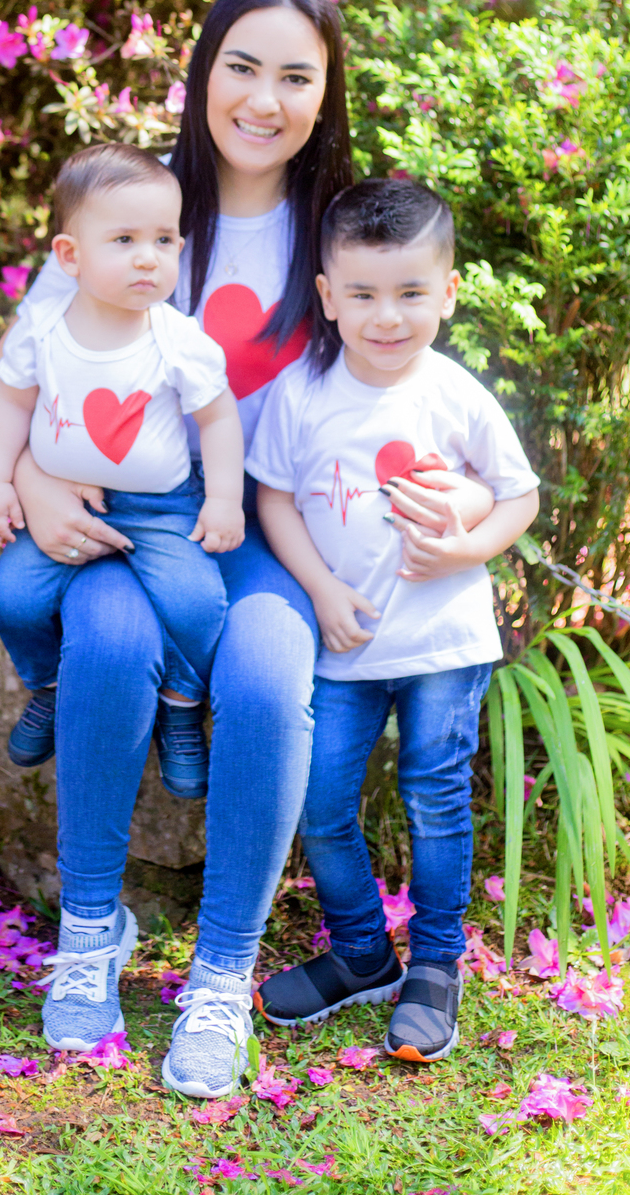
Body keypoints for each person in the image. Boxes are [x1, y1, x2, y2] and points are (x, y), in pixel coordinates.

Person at [0, 0, 497, 1098]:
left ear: (327, 93)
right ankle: (90, 932)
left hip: (275, 537)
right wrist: (29, 472)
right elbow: (37, 358)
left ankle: (221, 975)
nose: (263, 98)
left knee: (269, 682)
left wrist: (469, 504)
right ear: (203, 73)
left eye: (295, 76)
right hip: (132, 524)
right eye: (242, 66)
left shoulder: (349, 230)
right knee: (110, 645)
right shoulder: (142, 202)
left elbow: (422, 388)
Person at [250, 179, 540, 1062]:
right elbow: (273, 498)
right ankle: (364, 952)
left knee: (435, 798)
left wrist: (466, 550)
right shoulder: (302, 396)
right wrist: (322, 592)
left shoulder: (456, 396)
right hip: (344, 646)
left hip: (445, 646)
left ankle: (437, 967)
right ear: (329, 296)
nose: (388, 316)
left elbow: (518, 497)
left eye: (412, 293)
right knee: (323, 802)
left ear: (448, 293)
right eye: (365, 294)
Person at [0, 142, 244, 810]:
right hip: (63, 505)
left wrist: (223, 499)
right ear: (70, 257)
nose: (149, 257)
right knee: (12, 598)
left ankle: (180, 702)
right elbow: (10, 405)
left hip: (160, 510)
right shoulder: (43, 330)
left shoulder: (177, 340)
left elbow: (218, 420)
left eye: (164, 239)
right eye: (124, 239)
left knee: (198, 602)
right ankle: (48, 686)